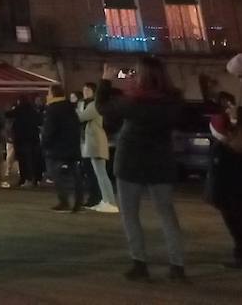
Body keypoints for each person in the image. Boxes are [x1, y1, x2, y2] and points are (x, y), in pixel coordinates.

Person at [96, 57, 186, 282]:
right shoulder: (172, 101)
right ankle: (177, 265)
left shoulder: (133, 101)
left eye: (136, 72)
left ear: (143, 76)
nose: (133, 75)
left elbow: (103, 108)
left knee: (130, 214)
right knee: (167, 214)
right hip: (160, 160)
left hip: (130, 161)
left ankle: (139, 263)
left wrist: (105, 82)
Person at [206, 90, 242, 270]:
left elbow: (218, 179)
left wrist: (215, 197)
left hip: (231, 193)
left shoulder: (228, 150)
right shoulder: (236, 148)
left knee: (239, 223)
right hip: (234, 191)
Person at [77, 81, 118, 213]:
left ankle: (110, 201)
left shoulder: (94, 104)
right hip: (93, 141)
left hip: (96, 141)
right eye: (84, 89)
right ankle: (106, 200)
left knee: (101, 174)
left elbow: (81, 117)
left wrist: (77, 108)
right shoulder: (88, 103)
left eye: (88, 90)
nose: (85, 92)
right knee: (99, 173)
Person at [41, 85, 82, 212]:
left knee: (57, 175)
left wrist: (44, 144)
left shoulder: (53, 109)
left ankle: (64, 202)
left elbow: (49, 130)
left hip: (57, 149)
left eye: (48, 93)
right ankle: (78, 201)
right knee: (75, 175)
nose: (47, 96)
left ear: (53, 94)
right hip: (72, 147)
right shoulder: (70, 108)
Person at [8, 95, 42, 187]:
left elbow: (7, 114)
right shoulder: (33, 110)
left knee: (23, 161)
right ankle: (36, 179)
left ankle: (26, 179)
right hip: (34, 139)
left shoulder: (18, 110)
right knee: (34, 160)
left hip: (21, 139)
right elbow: (40, 121)